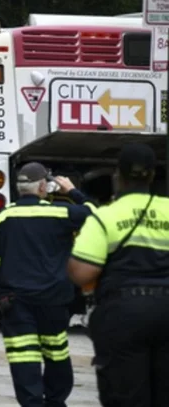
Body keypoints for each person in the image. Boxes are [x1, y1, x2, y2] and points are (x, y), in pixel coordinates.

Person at [0, 162, 96, 407]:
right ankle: (56, 401)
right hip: (54, 301)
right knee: (56, 353)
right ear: (43, 186)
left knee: (23, 357)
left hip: (16, 301)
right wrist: (72, 191)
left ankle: (32, 403)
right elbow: (96, 215)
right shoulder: (61, 213)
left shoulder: (5, 217)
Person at [68, 142, 169, 406]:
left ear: (118, 176)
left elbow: (80, 273)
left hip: (123, 316)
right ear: (151, 175)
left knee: (126, 396)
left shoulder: (105, 217)